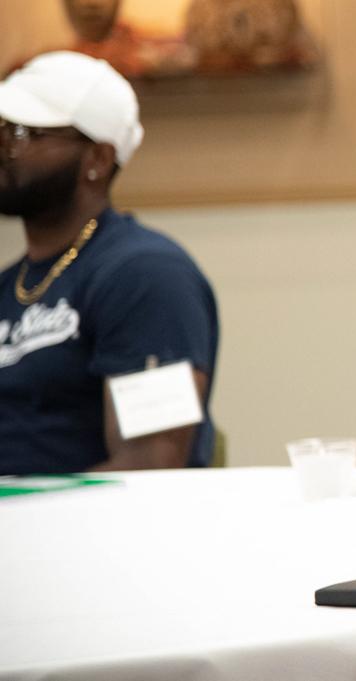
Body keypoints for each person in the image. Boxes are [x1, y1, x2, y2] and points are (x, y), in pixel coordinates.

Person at [0, 51, 219, 474]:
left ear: (97, 160)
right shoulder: (11, 283)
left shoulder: (146, 276)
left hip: (82, 534)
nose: (3, 147)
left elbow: (150, 465)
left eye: (22, 133)